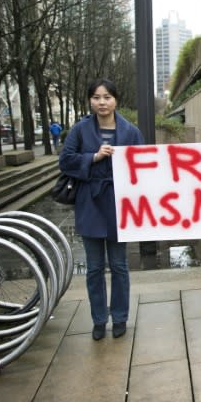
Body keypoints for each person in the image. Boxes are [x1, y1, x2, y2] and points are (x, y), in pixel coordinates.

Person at [59, 78, 144, 340]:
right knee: (94, 267)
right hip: (90, 203)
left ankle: (120, 317)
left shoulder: (130, 131)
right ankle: (98, 319)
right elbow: (65, 160)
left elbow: (143, 165)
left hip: (120, 205)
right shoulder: (80, 130)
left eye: (107, 97)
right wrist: (94, 157)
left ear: (115, 100)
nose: (102, 102)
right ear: (90, 101)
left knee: (119, 265)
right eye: (96, 97)